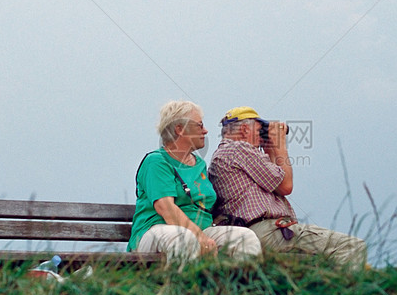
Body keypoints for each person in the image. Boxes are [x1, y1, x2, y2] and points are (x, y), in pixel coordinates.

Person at [208, 106, 367, 269]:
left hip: (257, 233)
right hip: (268, 230)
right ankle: (348, 292)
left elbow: (273, 182)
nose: (261, 135)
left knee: (318, 265)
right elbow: (285, 185)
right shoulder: (238, 148)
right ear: (244, 130)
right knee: (352, 246)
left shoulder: (225, 154)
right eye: (259, 130)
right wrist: (280, 146)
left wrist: (270, 151)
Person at [128, 100, 262, 266]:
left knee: (244, 237)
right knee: (183, 238)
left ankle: (240, 289)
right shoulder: (157, 161)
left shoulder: (199, 165)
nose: (205, 131)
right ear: (180, 129)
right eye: (199, 125)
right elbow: (166, 208)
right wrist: (200, 237)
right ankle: (184, 290)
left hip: (200, 232)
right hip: (157, 231)